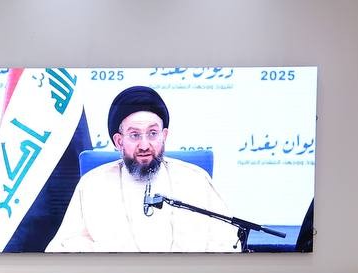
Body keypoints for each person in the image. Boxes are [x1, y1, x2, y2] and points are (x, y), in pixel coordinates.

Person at [47, 85, 237, 252]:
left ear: (164, 136)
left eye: (153, 133)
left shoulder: (195, 179)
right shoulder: (93, 185)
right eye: (134, 135)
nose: (145, 145)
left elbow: (227, 241)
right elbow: (64, 247)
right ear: (118, 141)